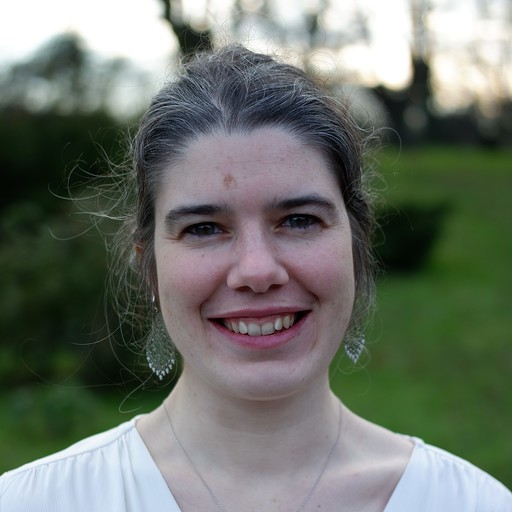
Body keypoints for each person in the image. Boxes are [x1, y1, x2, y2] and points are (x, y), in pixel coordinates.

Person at [1, 44, 510, 512]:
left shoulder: (469, 502)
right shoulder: (36, 502)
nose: (258, 271)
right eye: (204, 228)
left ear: (356, 248)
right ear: (149, 267)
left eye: (298, 220)